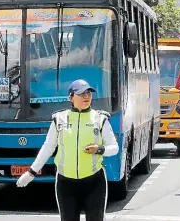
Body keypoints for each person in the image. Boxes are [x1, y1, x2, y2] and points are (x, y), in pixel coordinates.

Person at [16, 79, 119, 221]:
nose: (86, 97)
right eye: (82, 94)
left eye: (89, 93)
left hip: (94, 181)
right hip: (66, 183)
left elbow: (114, 148)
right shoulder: (59, 119)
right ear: (71, 97)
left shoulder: (100, 119)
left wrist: (99, 149)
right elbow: (48, 147)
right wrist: (31, 172)